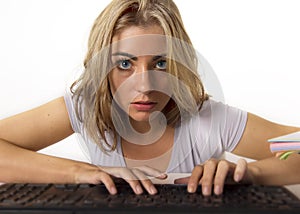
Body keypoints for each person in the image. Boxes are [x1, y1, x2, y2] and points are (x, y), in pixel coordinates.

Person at [0, 0, 299, 197]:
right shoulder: (84, 107)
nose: (144, 86)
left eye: (160, 63)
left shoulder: (207, 119)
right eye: (125, 64)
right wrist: (84, 171)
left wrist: (251, 173)